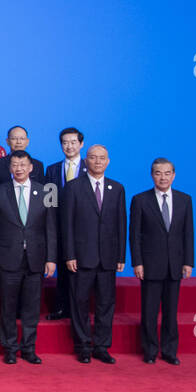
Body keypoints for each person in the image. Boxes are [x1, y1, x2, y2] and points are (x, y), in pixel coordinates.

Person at [0, 151, 57, 364]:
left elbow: (51, 228)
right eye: (15, 164)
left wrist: (51, 258)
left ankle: (28, 348)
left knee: (32, 307)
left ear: (31, 167)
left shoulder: (47, 191)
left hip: (36, 258)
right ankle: (9, 347)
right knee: (8, 306)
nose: (19, 168)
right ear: (10, 167)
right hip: (7, 258)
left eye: (23, 164)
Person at [62, 144, 126, 364]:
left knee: (106, 303)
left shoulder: (117, 188)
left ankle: (101, 346)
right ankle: (82, 345)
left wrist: (120, 257)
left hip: (108, 258)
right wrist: (69, 254)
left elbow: (121, 224)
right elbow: (67, 224)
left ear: (108, 161)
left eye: (102, 158)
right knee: (79, 302)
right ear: (85, 161)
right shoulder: (73, 187)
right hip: (81, 257)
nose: (97, 162)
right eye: (93, 158)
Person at [130, 158, 193, 365]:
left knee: (170, 312)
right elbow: (135, 235)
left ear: (173, 175)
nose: (163, 177)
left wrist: (188, 262)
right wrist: (137, 262)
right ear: (152, 175)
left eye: (167, 173)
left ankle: (169, 351)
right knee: (149, 311)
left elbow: (188, 234)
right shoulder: (140, 200)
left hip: (175, 265)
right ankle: (149, 350)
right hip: (149, 265)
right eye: (158, 173)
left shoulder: (185, 200)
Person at [45, 126, 85, 321]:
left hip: (84, 230)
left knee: (82, 273)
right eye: (65, 143)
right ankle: (61, 308)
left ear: (81, 144)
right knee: (62, 269)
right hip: (60, 228)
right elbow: (49, 202)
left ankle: (79, 309)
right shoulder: (52, 170)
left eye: (73, 142)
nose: (69, 146)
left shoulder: (89, 168)